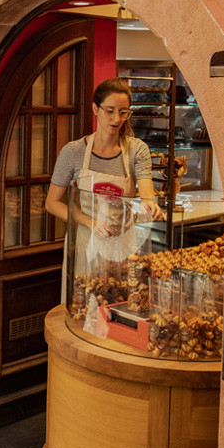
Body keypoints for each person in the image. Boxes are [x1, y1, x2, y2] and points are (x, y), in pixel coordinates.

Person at [46, 79, 164, 314]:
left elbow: (147, 195)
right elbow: (52, 203)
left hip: (124, 246)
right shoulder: (74, 152)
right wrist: (91, 222)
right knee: (85, 308)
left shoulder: (137, 150)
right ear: (95, 109)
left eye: (123, 112)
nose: (116, 119)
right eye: (109, 111)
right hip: (87, 245)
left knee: (120, 312)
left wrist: (151, 206)